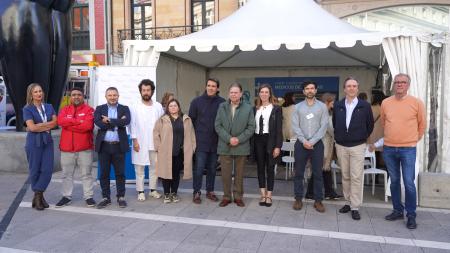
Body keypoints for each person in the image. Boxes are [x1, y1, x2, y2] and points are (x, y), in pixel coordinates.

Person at [380, 73, 426, 229]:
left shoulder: (417, 103)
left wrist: (412, 140)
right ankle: (397, 210)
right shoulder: (386, 102)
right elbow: (384, 122)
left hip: (408, 149)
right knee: (394, 182)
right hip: (389, 148)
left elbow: (422, 125)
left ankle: (411, 215)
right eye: (397, 82)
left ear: (408, 85)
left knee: (408, 183)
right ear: (393, 84)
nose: (399, 84)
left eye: (403, 82)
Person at [333, 77, 374, 220]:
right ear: (344, 89)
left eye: (354, 86)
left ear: (357, 88)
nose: (351, 88)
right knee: (345, 175)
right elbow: (335, 123)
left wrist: (361, 136)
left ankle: (355, 206)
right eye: (348, 86)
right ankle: (347, 202)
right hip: (341, 146)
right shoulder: (338, 105)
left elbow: (370, 125)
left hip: (357, 146)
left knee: (356, 176)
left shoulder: (365, 106)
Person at [215, 83, 256, 207]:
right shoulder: (222, 106)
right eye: (231, 92)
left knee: (239, 174)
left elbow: (251, 127)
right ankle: (226, 197)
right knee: (225, 174)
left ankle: (238, 197)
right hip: (225, 145)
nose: (233, 94)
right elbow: (217, 125)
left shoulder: (248, 108)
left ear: (241, 94)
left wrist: (238, 139)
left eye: (236, 92)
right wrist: (229, 138)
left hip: (241, 146)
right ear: (228, 94)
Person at [55, 87, 96, 208]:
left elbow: (87, 127)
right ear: (70, 97)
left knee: (87, 174)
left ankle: (88, 197)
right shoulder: (64, 110)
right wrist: (78, 122)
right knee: (66, 174)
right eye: (73, 95)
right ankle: (66, 196)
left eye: (79, 94)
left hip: (84, 149)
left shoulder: (89, 110)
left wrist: (70, 123)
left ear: (83, 96)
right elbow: (61, 122)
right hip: (67, 149)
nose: (76, 97)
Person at [291, 81, 328, 213]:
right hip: (301, 144)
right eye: (307, 89)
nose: (310, 90)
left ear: (316, 91)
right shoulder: (297, 107)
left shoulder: (323, 107)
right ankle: (298, 198)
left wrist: (312, 141)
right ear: (304, 92)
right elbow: (295, 126)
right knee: (299, 173)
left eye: (312, 88)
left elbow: (324, 126)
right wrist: (304, 141)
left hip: (317, 144)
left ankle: (318, 201)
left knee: (318, 173)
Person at [189, 78, 225, 204]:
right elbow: (191, 122)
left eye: (213, 86)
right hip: (201, 142)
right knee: (198, 169)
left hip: (216, 143)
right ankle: (196, 192)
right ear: (206, 87)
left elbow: (225, 123)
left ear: (217, 88)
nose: (210, 88)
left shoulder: (222, 103)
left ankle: (210, 191)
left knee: (212, 169)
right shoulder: (196, 102)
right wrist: (193, 141)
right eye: (208, 85)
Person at [23, 83, 57, 210]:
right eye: (36, 92)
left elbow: (55, 123)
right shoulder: (27, 109)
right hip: (33, 142)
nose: (39, 94)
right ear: (31, 95)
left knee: (47, 170)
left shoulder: (49, 106)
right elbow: (31, 127)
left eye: (40, 91)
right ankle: (39, 197)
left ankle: (38, 195)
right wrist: (46, 125)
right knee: (35, 169)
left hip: (47, 141)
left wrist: (39, 126)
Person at [153, 99, 196, 203]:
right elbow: (156, 134)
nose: (173, 107)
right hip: (166, 152)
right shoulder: (162, 120)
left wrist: (193, 147)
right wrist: (158, 147)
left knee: (176, 174)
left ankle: (174, 193)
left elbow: (192, 134)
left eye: (175, 105)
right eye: (171, 106)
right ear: (168, 108)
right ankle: (167, 194)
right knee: (166, 174)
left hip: (179, 152)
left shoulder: (186, 119)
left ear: (178, 107)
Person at [94, 87, 131, 209]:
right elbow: (98, 123)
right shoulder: (100, 108)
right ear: (106, 97)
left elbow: (126, 122)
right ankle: (106, 197)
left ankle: (121, 197)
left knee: (120, 173)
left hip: (118, 146)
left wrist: (109, 120)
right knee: (104, 173)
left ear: (118, 96)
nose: (112, 97)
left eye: (114, 95)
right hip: (104, 146)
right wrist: (117, 122)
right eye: (110, 95)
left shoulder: (124, 108)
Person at [129, 79, 164, 201]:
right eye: (143, 90)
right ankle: (140, 191)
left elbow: (162, 124)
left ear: (152, 91)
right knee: (140, 168)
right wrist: (134, 140)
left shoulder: (158, 106)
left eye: (148, 90)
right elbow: (132, 124)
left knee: (155, 167)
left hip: (154, 142)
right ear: (140, 91)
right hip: (140, 142)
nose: (146, 92)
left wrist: (160, 142)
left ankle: (153, 190)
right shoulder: (134, 106)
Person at [305, 92, 342, 200]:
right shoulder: (324, 113)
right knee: (320, 169)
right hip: (323, 144)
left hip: (323, 144)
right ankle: (311, 192)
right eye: (332, 102)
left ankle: (328, 192)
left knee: (325, 169)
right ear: (327, 102)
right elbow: (330, 129)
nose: (333, 105)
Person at [253, 84, 283, 207]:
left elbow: (279, 129)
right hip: (258, 140)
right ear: (259, 94)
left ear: (270, 94)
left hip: (270, 140)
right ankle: (262, 194)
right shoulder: (254, 108)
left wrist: (278, 146)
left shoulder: (276, 109)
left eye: (266, 92)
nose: (264, 94)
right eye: (262, 92)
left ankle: (269, 195)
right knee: (260, 168)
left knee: (270, 169)